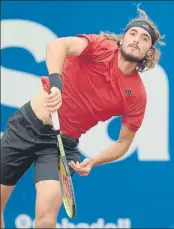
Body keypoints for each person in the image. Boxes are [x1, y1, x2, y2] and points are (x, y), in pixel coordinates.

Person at [0, 6, 165, 228]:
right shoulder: (100, 47)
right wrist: (56, 85)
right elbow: (58, 45)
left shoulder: (136, 95)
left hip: (60, 146)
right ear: (123, 38)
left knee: (46, 217)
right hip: (26, 125)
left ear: (149, 51)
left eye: (144, 38)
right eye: (133, 34)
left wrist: (95, 161)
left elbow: (123, 142)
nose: (136, 40)